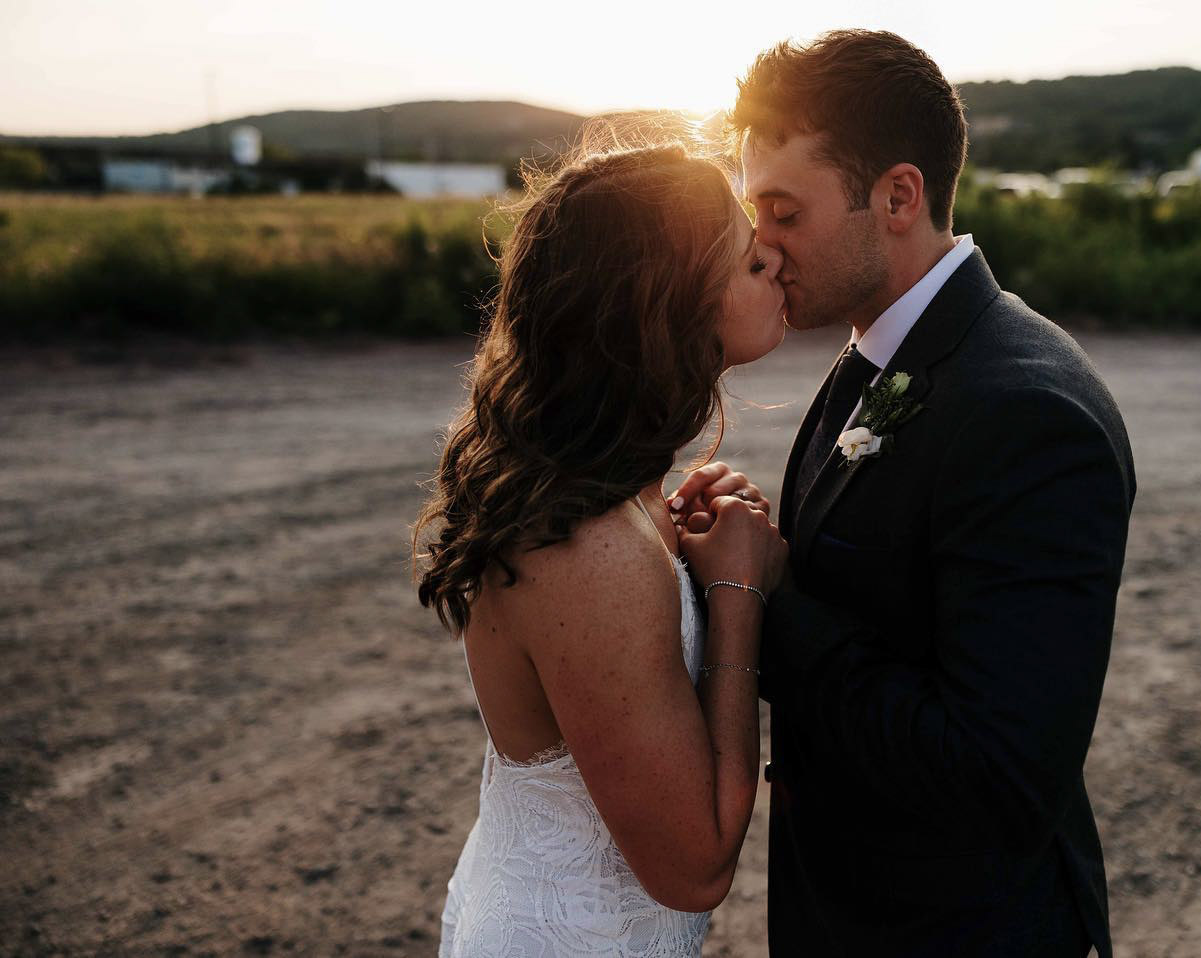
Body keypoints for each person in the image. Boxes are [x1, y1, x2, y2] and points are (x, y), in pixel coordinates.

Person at [671, 30, 1137, 957]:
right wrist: (744, 541)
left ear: (896, 196)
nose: (758, 241)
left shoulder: (1026, 413)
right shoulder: (880, 347)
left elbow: (995, 777)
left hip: (954, 930)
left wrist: (764, 595)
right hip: (848, 910)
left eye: (782, 210)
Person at [414, 144, 789, 956]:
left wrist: (690, 544)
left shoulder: (608, 494)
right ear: (662, 304)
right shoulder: (587, 545)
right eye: (745, 254)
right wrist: (735, 594)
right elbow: (694, 870)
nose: (774, 255)